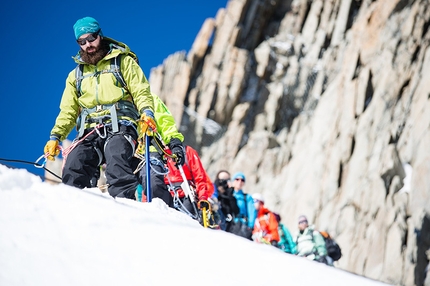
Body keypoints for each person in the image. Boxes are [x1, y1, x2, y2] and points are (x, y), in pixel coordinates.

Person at [43, 16, 184, 201]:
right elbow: (68, 110)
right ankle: (75, 210)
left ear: (100, 35)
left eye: (91, 38)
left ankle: (124, 208)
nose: (88, 45)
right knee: (74, 165)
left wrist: (147, 113)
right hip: (89, 130)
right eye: (82, 41)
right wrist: (56, 136)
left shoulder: (122, 62)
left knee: (117, 161)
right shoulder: (75, 76)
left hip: (121, 125)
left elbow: (141, 91)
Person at [137, 93, 185, 207]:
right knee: (121, 187)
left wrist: (175, 144)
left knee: (153, 186)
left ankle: (164, 214)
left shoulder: (149, 98)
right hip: (124, 146)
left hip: (148, 149)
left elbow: (165, 122)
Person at [164, 145, 213, 219]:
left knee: (185, 221)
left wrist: (202, 197)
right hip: (166, 195)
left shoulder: (187, 151)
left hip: (187, 194)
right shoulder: (157, 153)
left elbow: (199, 177)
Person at [227, 172, 256, 240]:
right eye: (237, 179)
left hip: (242, 225)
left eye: (242, 180)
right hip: (229, 223)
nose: (239, 182)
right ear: (233, 181)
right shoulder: (227, 195)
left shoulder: (247, 197)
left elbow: (252, 212)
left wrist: (250, 226)